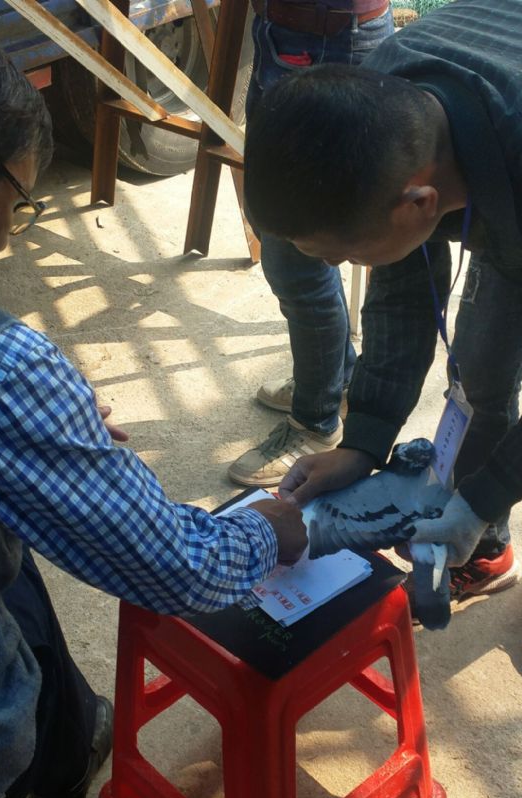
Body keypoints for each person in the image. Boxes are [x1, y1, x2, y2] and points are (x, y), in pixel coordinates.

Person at [0, 14, 306, 798]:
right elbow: (170, 567)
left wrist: (35, 438)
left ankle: (72, 735)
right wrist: (269, 530)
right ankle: (61, 747)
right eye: (19, 200)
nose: (12, 233)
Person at [242, 0, 522, 677]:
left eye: (345, 254)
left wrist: (485, 492)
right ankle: (484, 544)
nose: (342, 267)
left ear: (421, 204)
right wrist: (363, 441)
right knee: (481, 375)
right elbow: (403, 293)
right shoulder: (389, 106)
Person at [226, 0, 396, 487]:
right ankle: (335, 382)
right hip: (281, 34)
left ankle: (316, 422)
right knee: (279, 230)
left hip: (329, 41)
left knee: (296, 259)